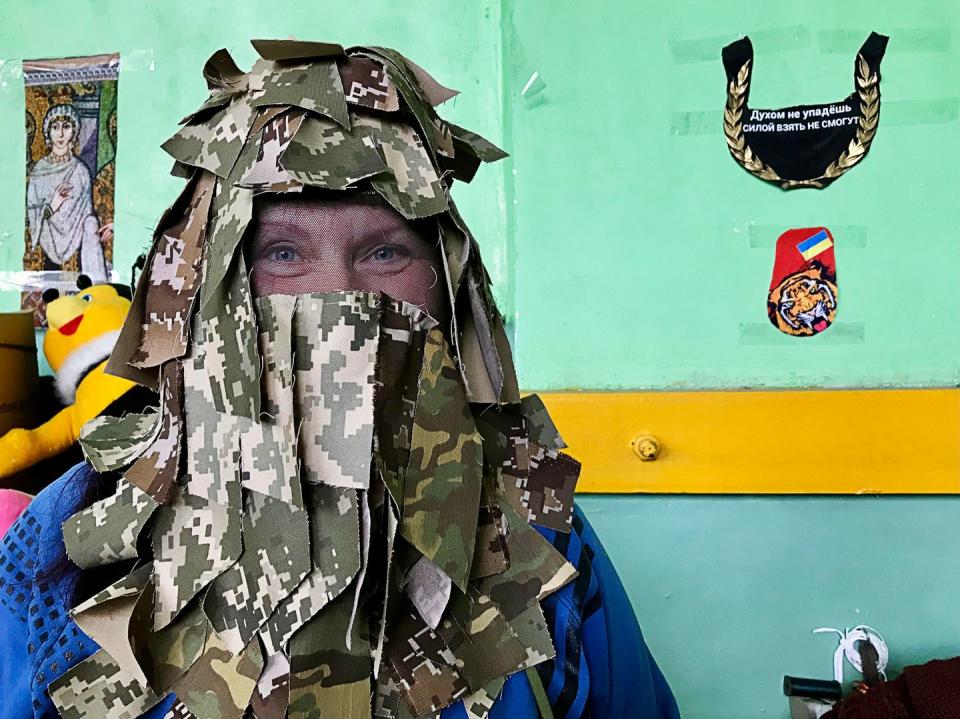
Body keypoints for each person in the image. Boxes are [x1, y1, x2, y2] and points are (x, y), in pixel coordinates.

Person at [0, 41, 680, 719]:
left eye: (385, 251)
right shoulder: (67, 538)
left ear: (447, 286)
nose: (340, 297)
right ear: (204, 290)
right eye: (283, 253)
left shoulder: (533, 533)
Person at [26, 103, 108, 280]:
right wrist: (52, 206)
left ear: (74, 131)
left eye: (66, 126)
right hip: (48, 238)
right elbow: (32, 215)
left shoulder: (80, 171)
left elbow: (86, 215)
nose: (61, 134)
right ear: (48, 132)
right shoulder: (39, 170)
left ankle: (98, 287)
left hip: (77, 240)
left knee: (91, 223)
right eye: (55, 127)